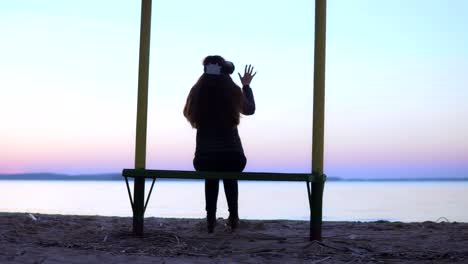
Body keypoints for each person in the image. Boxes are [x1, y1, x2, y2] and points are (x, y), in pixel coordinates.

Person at [183, 55, 256, 233]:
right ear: (225, 72)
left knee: (211, 174)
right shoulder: (232, 91)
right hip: (234, 158)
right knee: (229, 172)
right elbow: (250, 109)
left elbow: (187, 112)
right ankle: (233, 217)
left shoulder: (197, 91)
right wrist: (246, 86)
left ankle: (210, 220)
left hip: (204, 159)